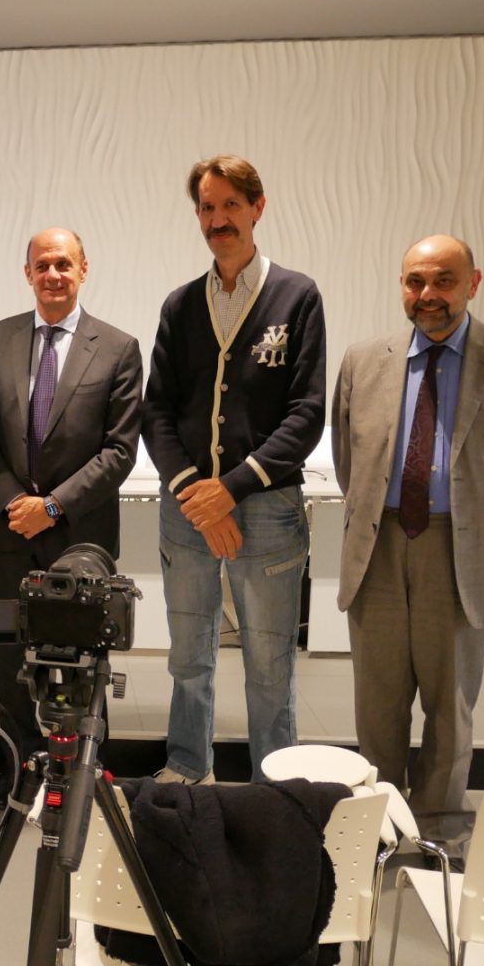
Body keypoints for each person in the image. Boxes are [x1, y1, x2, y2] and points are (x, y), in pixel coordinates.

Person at [333, 234, 484, 857]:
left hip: (459, 553)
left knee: (450, 705)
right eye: (415, 282)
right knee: (377, 704)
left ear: (473, 283)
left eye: (443, 281)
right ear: (401, 284)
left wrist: (480, 527)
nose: (428, 295)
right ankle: (380, 821)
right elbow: (351, 462)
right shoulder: (362, 360)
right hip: (378, 549)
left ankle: (438, 827)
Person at [142, 155, 325, 784]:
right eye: (207, 207)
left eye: (230, 205)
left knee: (270, 664)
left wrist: (232, 488)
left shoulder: (297, 297)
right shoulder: (180, 305)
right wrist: (196, 494)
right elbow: (156, 411)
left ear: (257, 208)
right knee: (189, 656)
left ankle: (275, 785)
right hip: (186, 509)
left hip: (268, 509)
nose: (218, 219)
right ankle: (188, 767)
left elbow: (306, 414)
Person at [0, 227, 143, 810]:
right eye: (42, 265)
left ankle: (84, 775)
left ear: (83, 270)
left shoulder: (118, 347)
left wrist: (54, 506)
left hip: (81, 537)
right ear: (28, 273)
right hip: (13, 529)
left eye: (63, 264)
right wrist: (15, 501)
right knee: (12, 656)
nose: (53, 275)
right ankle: (19, 766)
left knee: (85, 659)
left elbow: (119, 450)